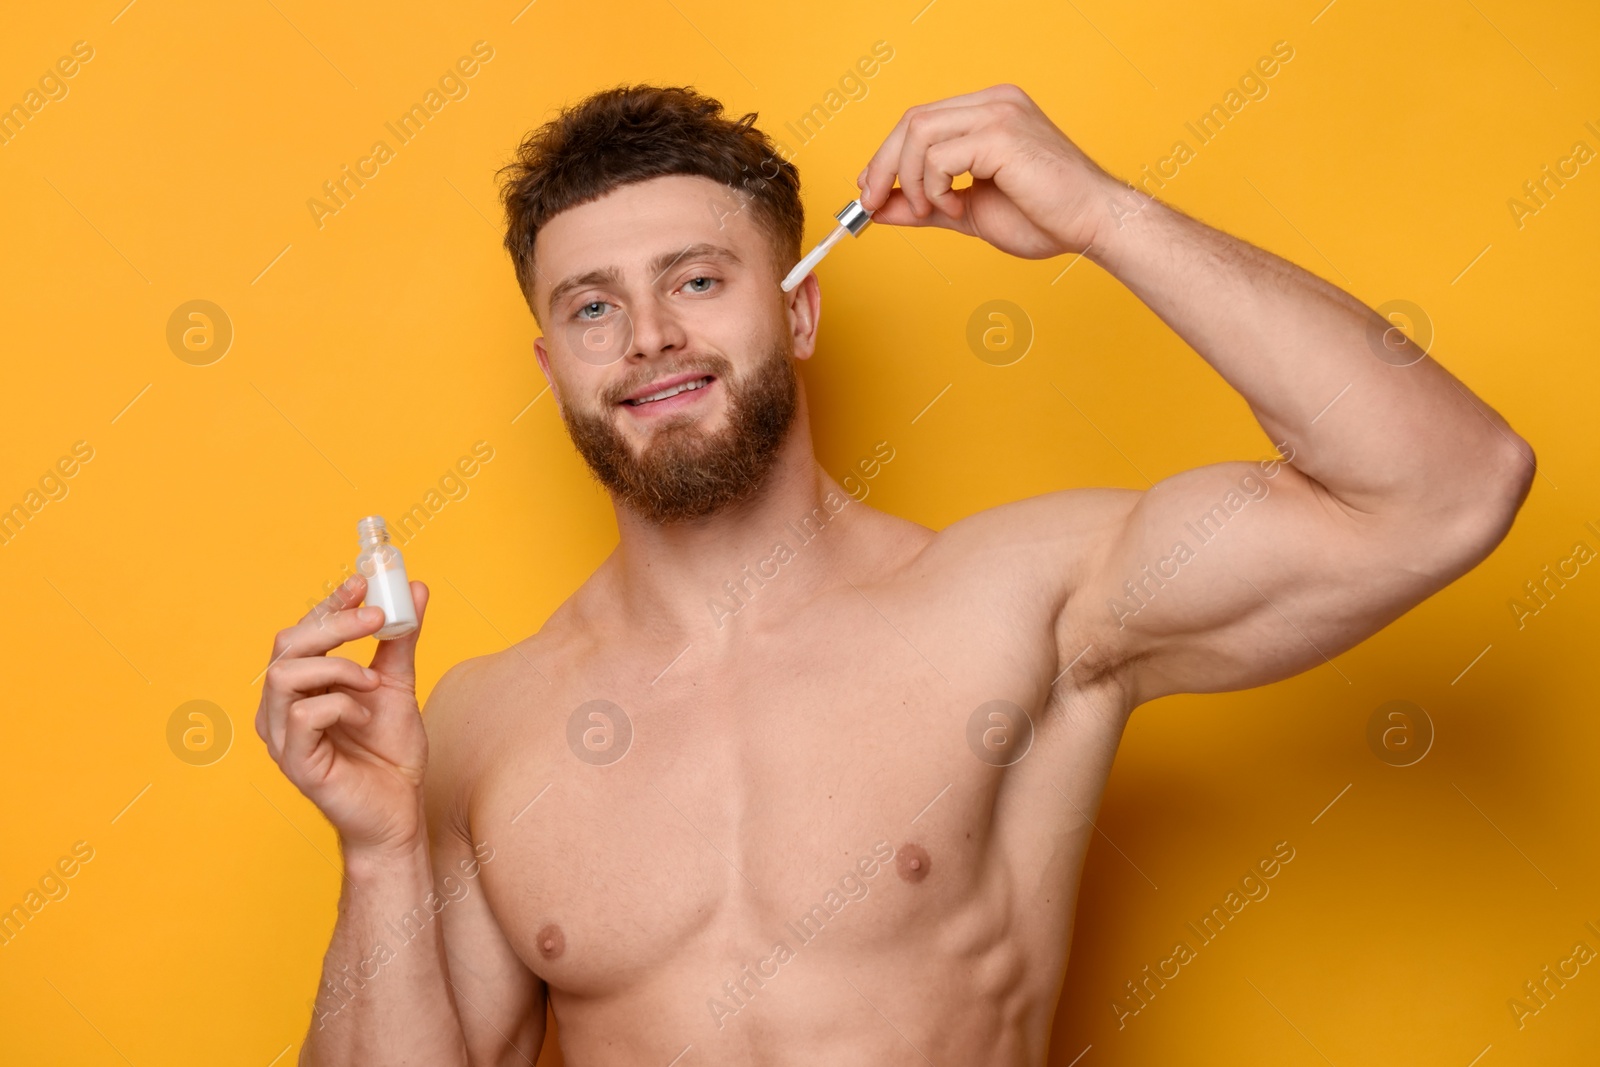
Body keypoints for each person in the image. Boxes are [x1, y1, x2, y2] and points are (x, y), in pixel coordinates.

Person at [256, 83, 1534, 1065]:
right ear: (552, 366)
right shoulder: (488, 724)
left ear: (799, 308)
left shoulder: (1022, 603)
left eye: (698, 280)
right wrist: (377, 852)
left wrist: (1102, 214)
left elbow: (1445, 485)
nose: (649, 337)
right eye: (593, 308)